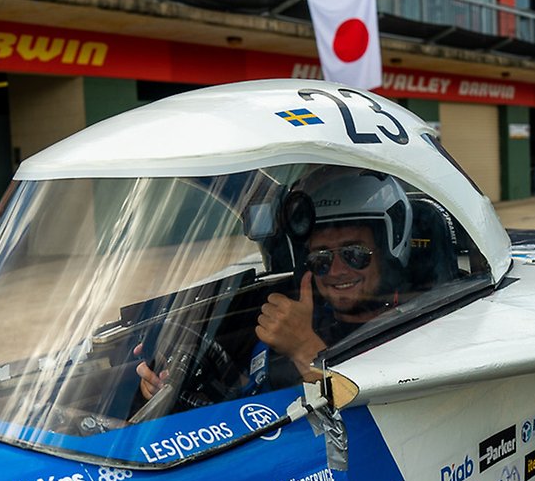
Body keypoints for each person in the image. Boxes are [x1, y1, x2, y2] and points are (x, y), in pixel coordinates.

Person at [137, 167, 413, 399]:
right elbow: (248, 393)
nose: (337, 270)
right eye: (321, 257)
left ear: (388, 251)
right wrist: (168, 388)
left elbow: (382, 416)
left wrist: (305, 347)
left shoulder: (416, 329)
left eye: (355, 253)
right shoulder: (297, 319)